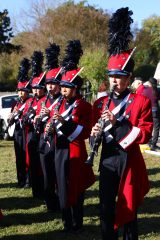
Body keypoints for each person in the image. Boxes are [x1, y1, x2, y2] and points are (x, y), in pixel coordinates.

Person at [91, 8, 153, 240]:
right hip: (107, 157)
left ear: (128, 77)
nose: (114, 80)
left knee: (128, 208)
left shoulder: (141, 100)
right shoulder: (100, 103)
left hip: (128, 159)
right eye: (111, 76)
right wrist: (94, 134)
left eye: (119, 76)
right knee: (105, 205)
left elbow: (145, 133)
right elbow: (91, 132)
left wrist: (118, 124)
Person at [48, 40, 95, 232]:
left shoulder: (84, 106)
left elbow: (83, 131)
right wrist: (49, 128)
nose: (63, 89)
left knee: (77, 186)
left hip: (76, 150)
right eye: (63, 86)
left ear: (75, 88)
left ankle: (77, 221)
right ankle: (66, 220)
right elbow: (53, 123)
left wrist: (63, 123)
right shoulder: (59, 104)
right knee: (62, 185)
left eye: (67, 86)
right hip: (59, 149)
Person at [36, 43, 62, 211]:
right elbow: (36, 123)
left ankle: (61, 201)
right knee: (47, 173)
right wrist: (39, 118)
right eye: (48, 83)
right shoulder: (43, 101)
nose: (50, 87)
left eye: (53, 83)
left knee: (59, 174)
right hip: (44, 141)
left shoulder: (63, 100)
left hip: (58, 141)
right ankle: (49, 202)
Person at [22, 51, 46, 197]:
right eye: (34, 88)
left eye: (39, 87)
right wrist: (28, 117)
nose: (36, 90)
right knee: (33, 163)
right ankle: (36, 190)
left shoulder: (46, 101)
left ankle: (45, 189)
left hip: (43, 134)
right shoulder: (30, 101)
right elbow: (24, 117)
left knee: (43, 165)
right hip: (31, 134)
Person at [7, 58, 30, 188]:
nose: (21, 93)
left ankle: (28, 180)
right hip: (17, 132)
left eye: (23, 91)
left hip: (26, 131)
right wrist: (12, 115)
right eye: (19, 91)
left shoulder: (30, 102)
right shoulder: (15, 104)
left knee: (27, 156)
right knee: (19, 156)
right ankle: (20, 179)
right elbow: (10, 122)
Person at [148, 77, 160, 151]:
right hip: (155, 110)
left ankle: (149, 141)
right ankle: (153, 144)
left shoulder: (146, 90)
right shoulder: (157, 90)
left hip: (148, 110)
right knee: (156, 128)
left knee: (150, 126)